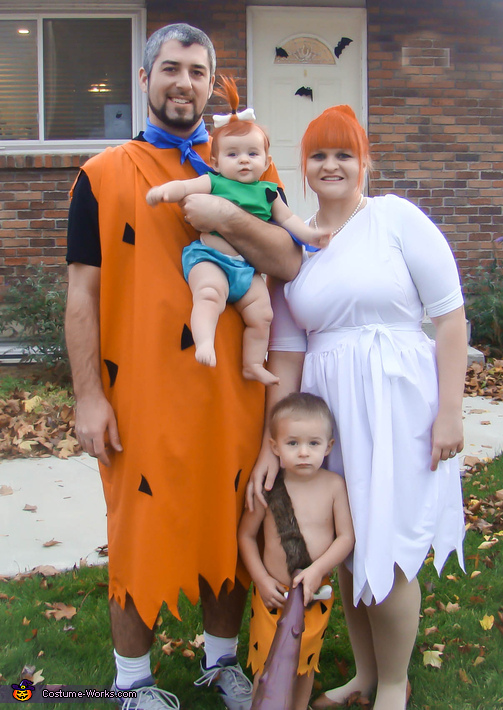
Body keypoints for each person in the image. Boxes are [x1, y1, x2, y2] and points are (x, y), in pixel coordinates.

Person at [65, 23, 301, 710]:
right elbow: (82, 291)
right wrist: (88, 396)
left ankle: (221, 662)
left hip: (234, 389)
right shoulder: (102, 175)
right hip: (139, 392)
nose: (184, 83)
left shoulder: (249, 161)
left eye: (198, 71)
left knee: (231, 524)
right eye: (170, 68)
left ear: (212, 82)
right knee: (138, 532)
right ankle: (131, 681)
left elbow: (288, 261)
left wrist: (227, 213)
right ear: (144, 80)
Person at [247, 105, 468, 710]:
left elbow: (450, 319)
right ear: (304, 167)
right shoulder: (296, 247)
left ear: (364, 162)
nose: (331, 165)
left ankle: (394, 686)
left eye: (344, 153)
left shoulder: (396, 219)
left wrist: (451, 412)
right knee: (342, 545)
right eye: (319, 154)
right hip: (329, 415)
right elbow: (287, 356)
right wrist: (275, 440)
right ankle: (365, 677)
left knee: (386, 547)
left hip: (397, 407)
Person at [146, 77, 329, 386]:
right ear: (215, 162)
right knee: (208, 295)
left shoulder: (269, 192)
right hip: (210, 258)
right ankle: (204, 341)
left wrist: (311, 236)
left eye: (252, 154)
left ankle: (252, 363)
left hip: (246, 270)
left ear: (267, 161)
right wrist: (164, 192)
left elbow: (291, 222)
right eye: (233, 155)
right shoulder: (215, 182)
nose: (243, 160)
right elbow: (185, 187)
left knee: (263, 315)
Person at [238, 392, 354, 710]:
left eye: (313, 444)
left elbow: (346, 538)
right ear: (275, 446)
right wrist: (260, 579)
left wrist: (317, 571)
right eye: (292, 444)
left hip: (313, 596)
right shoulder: (268, 488)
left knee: (305, 659)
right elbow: (246, 537)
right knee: (267, 664)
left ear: (328, 446)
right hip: (271, 596)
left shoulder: (334, 487)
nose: (303, 453)